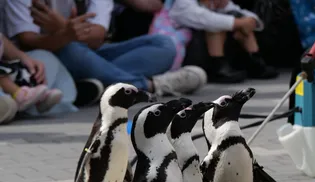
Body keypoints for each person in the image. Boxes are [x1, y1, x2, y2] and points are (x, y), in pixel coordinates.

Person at [6, 0, 207, 104]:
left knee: (164, 45)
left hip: (89, 53)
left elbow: (96, 38)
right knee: (71, 48)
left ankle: (97, 83)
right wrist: (66, 34)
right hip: (48, 57)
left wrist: (62, 26)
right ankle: (150, 86)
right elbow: (27, 40)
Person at [169, 0, 279, 83]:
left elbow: (243, 13)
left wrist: (251, 21)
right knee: (217, 25)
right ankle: (218, 68)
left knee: (235, 16)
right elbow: (206, 20)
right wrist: (240, 23)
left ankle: (254, 60)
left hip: (207, 49)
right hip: (184, 54)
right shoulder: (182, 3)